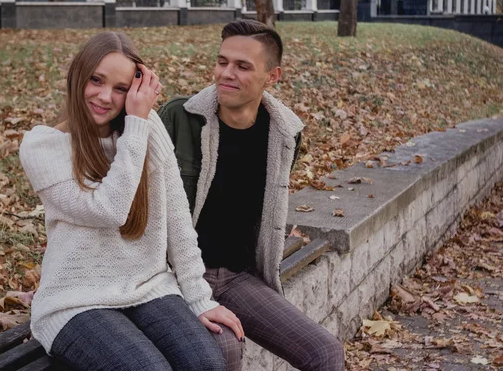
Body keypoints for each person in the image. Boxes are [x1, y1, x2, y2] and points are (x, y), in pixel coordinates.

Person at [19, 31, 244, 371]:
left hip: (148, 286)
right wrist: (137, 124)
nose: (105, 96)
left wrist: (200, 299)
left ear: (136, 90)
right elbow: (110, 209)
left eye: (121, 88)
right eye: (96, 80)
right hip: (74, 301)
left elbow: (178, 220)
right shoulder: (44, 147)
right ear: (78, 76)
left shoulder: (146, 128)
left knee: (208, 363)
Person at [159, 19, 346, 371]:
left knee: (326, 353)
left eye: (242, 66)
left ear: (272, 77)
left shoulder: (284, 135)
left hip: (235, 278)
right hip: (174, 277)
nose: (226, 73)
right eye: (222, 61)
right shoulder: (180, 118)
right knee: (224, 348)